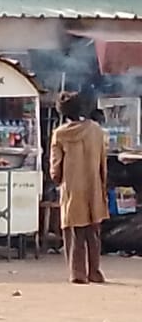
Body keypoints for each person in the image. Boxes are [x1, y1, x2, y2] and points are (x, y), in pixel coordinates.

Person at [50, 91, 108, 284]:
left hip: (72, 188)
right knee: (93, 231)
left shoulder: (59, 134)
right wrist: (101, 184)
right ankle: (95, 272)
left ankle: (78, 274)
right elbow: (103, 163)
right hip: (94, 186)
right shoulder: (96, 130)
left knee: (75, 231)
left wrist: (57, 180)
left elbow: (55, 167)